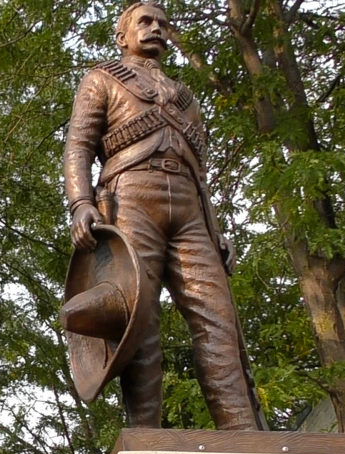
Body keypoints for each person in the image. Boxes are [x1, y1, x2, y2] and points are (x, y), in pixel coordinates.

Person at [62, 1, 261, 430]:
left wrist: (216, 228)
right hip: (131, 199)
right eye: (145, 22)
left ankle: (242, 434)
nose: (156, 28)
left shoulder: (187, 98)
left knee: (218, 321)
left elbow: (201, 172)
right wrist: (81, 204)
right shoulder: (102, 80)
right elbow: (78, 148)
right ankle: (147, 437)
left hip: (191, 212)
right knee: (139, 323)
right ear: (123, 37)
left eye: (163, 23)